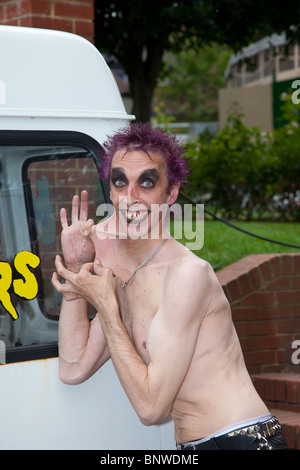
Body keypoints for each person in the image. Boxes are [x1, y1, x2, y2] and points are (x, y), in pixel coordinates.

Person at [52, 123, 288, 450]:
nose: (129, 197)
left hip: (241, 440)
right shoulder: (121, 278)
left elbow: (151, 409)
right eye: (120, 181)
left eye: (146, 182)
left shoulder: (188, 275)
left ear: (171, 192)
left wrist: (106, 309)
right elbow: (73, 367)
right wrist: (78, 274)